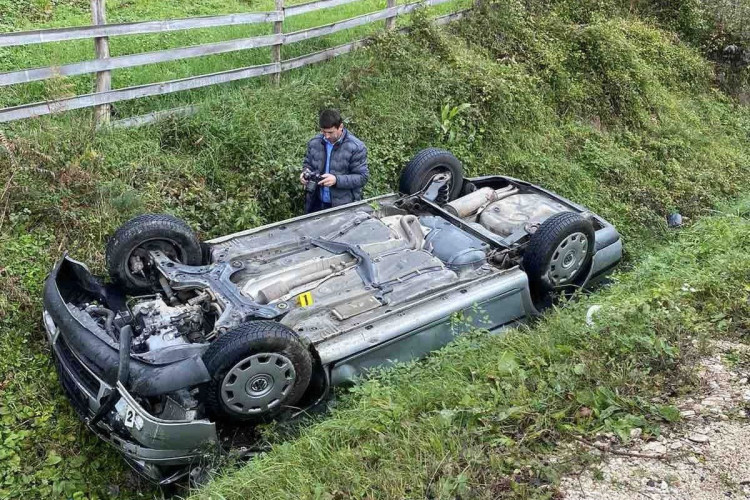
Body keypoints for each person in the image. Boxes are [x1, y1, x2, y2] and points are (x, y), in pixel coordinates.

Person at [300, 109, 369, 213]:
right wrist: (305, 173)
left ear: (340, 127)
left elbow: (362, 177)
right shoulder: (314, 143)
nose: (326, 136)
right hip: (316, 203)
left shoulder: (356, 147)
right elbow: (308, 164)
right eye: (323, 132)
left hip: (343, 206)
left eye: (330, 132)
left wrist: (336, 180)